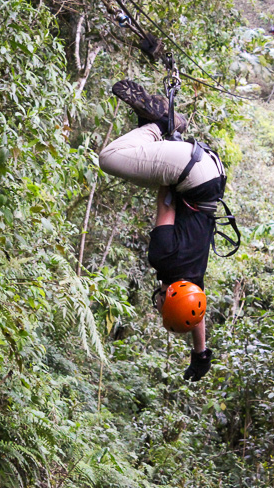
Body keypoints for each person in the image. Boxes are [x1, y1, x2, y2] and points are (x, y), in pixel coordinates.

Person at [98, 80, 226, 382]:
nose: (158, 307)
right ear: (168, 294)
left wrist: (200, 353)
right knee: (110, 158)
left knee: (144, 158)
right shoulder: (164, 259)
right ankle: (157, 124)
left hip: (212, 173)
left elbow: (196, 310)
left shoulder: (192, 281)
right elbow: (166, 202)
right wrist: (164, 144)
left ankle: (154, 128)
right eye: (162, 308)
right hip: (191, 172)